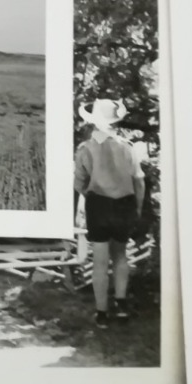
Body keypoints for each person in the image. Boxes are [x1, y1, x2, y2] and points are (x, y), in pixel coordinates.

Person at [74, 97, 146, 326]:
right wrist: (137, 206)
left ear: (93, 122)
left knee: (100, 262)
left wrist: (90, 195)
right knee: (121, 256)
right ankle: (122, 304)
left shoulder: (85, 148)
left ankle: (102, 313)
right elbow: (139, 181)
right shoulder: (127, 147)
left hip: (98, 205)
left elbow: (78, 183)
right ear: (116, 122)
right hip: (124, 203)